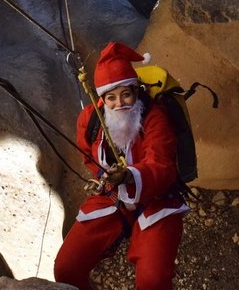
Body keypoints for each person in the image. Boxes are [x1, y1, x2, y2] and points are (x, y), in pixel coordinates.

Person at [54, 42, 188, 290]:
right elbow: (88, 154)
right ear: (102, 99)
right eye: (111, 97)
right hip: (111, 196)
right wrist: (104, 176)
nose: (120, 103)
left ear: (136, 91)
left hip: (157, 200)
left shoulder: (154, 117)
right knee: (66, 268)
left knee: (153, 281)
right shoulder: (91, 118)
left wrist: (129, 176)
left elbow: (162, 165)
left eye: (126, 94)